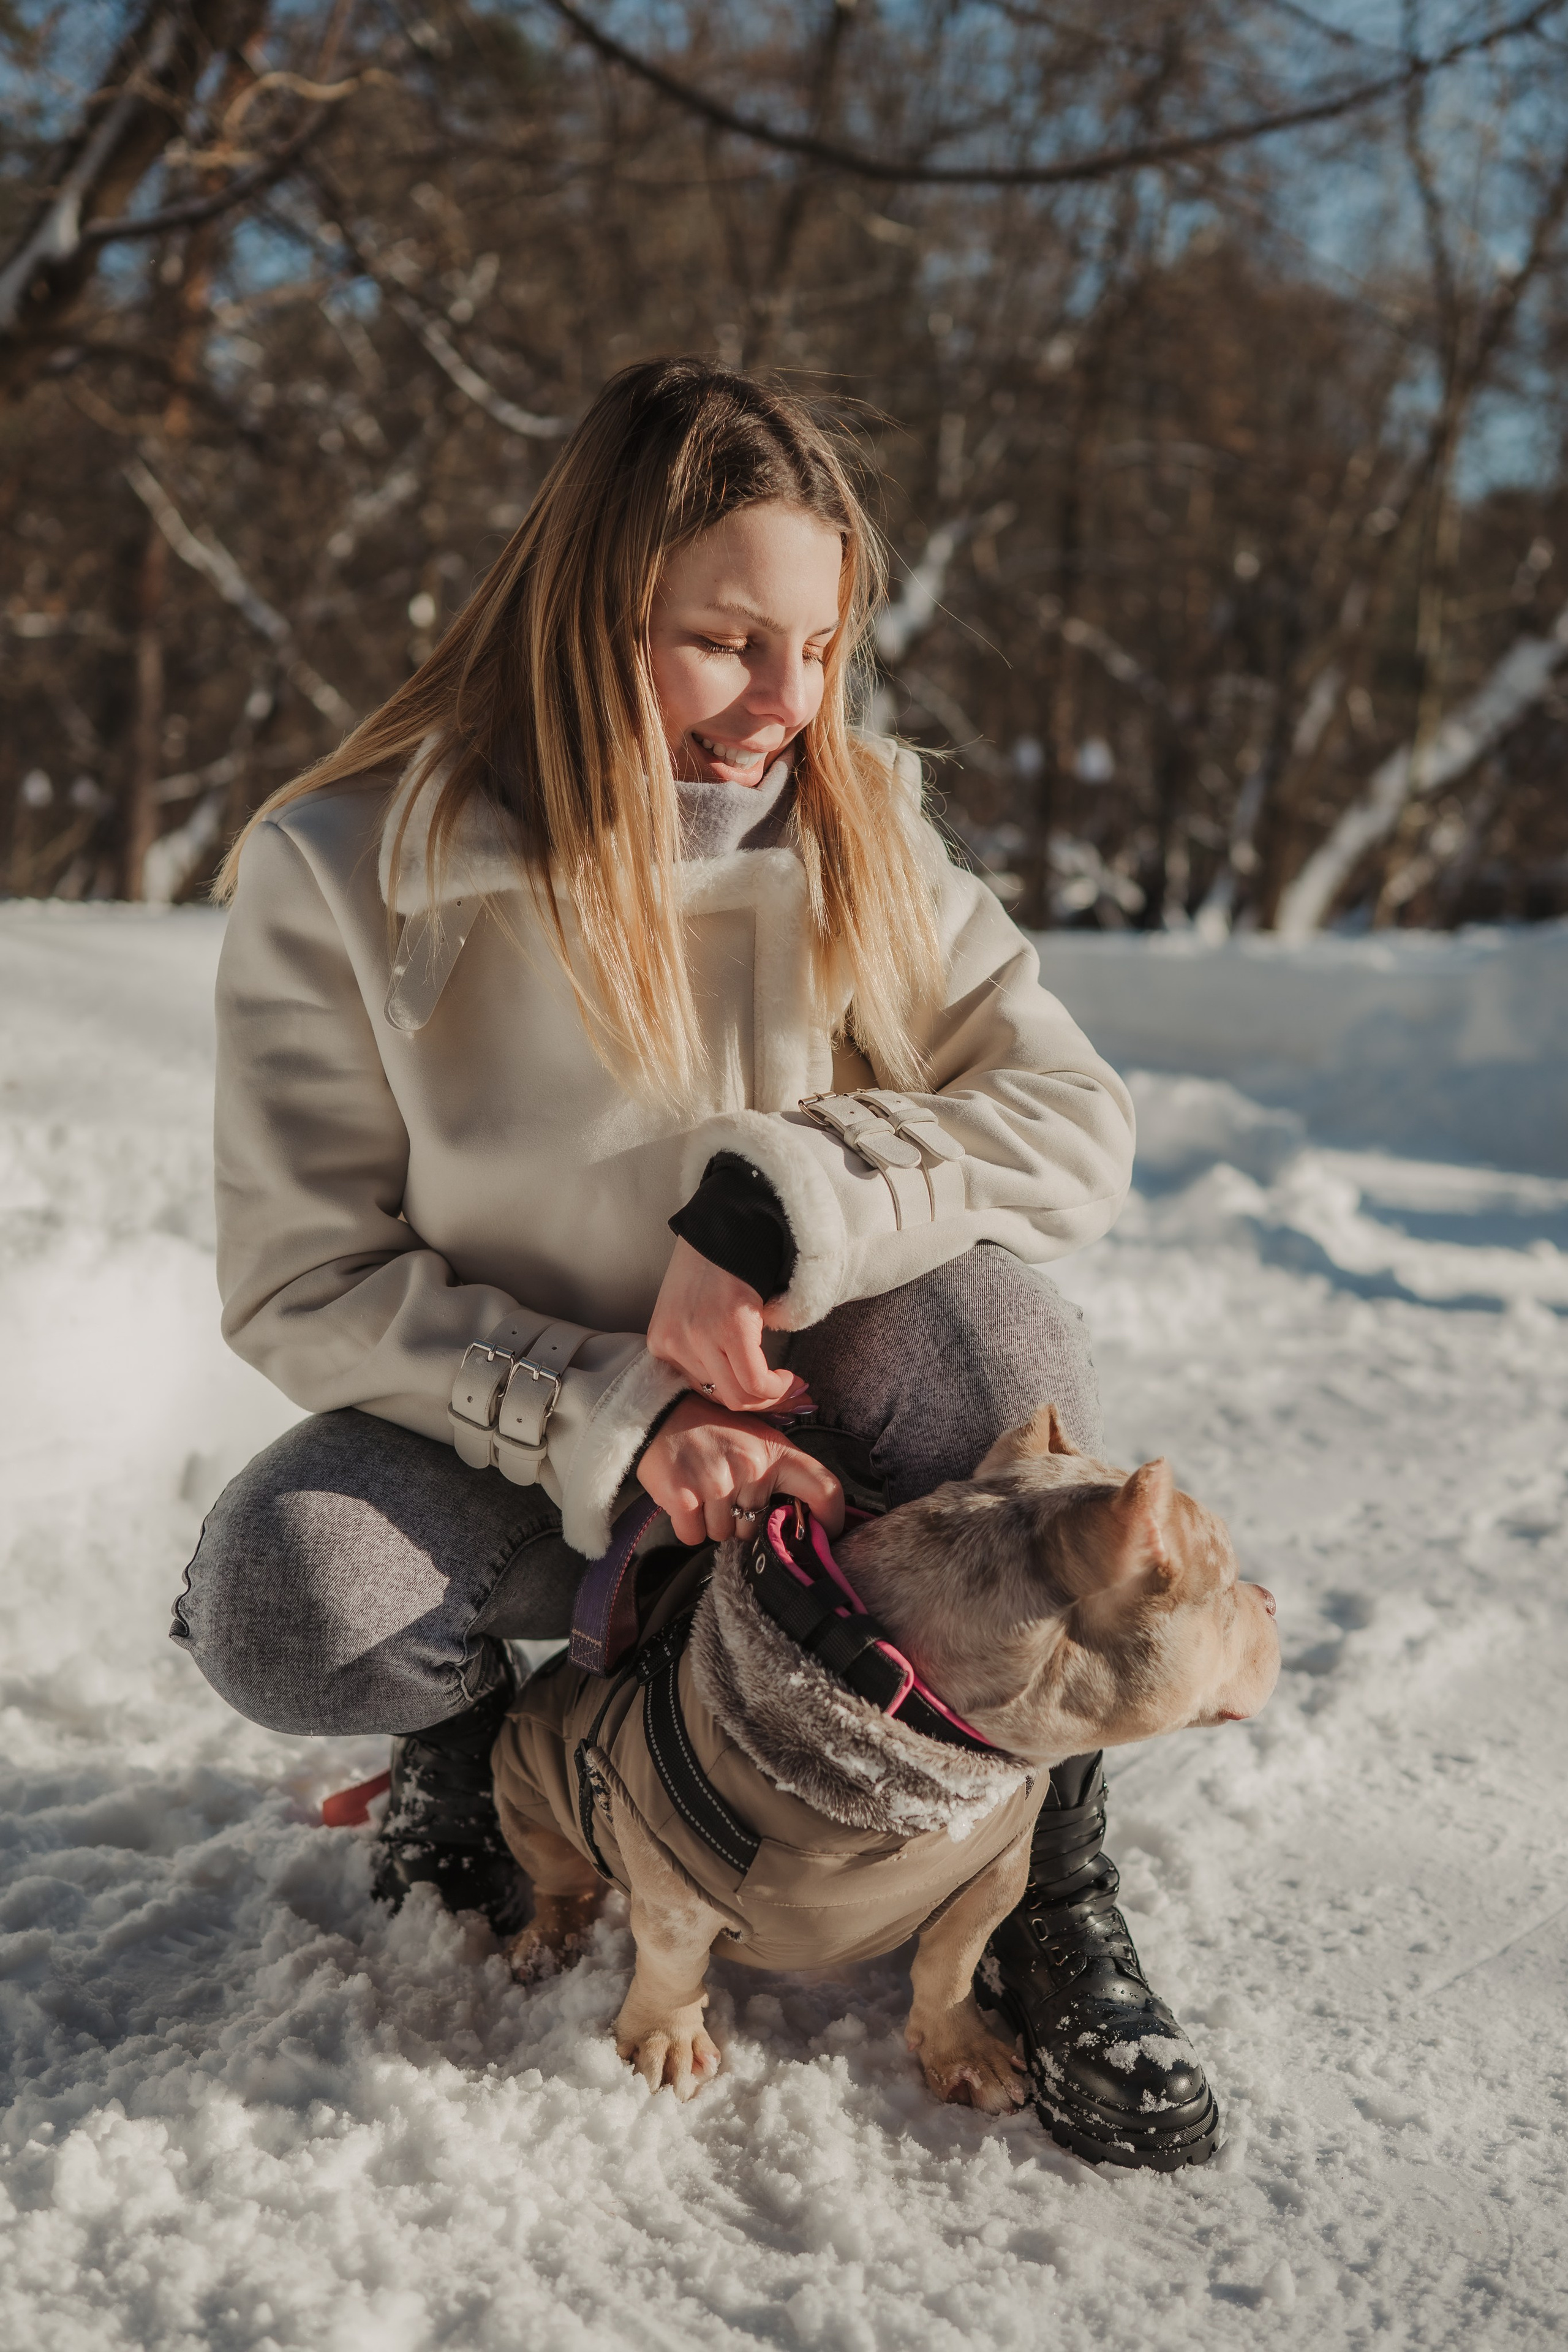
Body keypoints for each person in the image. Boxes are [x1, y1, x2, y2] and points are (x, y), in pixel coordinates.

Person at [173, 358, 1216, 2169]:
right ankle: (491, 1753)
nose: (783, 706)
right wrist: (628, 1411)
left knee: (996, 1340)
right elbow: (302, 1277)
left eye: (817, 651)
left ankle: (1048, 1873)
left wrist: (779, 1210)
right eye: (728, 643)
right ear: (591, 612)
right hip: (517, 1459)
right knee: (290, 1590)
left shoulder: (860, 825)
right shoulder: (346, 869)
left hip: (815, 1456)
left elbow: (1072, 1118)